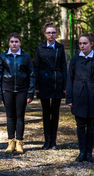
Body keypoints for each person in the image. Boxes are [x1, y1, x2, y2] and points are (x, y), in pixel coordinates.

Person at [66, 33, 94, 162]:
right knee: (80, 125)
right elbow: (70, 79)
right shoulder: (75, 59)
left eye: (85, 43)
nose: (82, 46)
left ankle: (89, 152)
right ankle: (82, 151)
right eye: (80, 44)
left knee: (91, 126)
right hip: (78, 95)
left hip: (93, 95)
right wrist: (69, 98)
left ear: (92, 44)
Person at [0, 32, 34, 154]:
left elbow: (31, 75)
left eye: (16, 41)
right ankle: (10, 142)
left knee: (20, 117)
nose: (14, 44)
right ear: (8, 43)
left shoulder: (26, 57)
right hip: (7, 90)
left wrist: (30, 92)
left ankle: (19, 142)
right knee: (10, 117)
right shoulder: (3, 57)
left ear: (20, 43)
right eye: (12, 42)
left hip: (22, 90)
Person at [34, 22, 67, 150]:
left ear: (56, 33)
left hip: (57, 82)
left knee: (56, 112)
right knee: (46, 112)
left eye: (53, 32)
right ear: (45, 34)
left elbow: (64, 66)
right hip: (44, 82)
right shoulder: (40, 48)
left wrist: (65, 84)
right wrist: (36, 84)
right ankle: (46, 140)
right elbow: (36, 67)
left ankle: (53, 140)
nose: (51, 35)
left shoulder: (60, 47)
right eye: (48, 32)